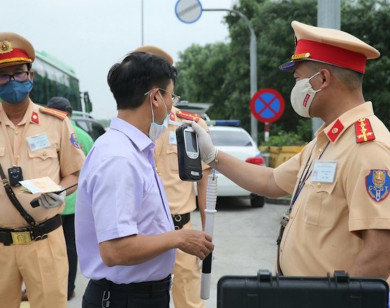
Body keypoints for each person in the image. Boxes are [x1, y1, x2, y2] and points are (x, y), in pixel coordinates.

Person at [191, 20, 390, 283]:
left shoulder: (367, 147)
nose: (294, 89)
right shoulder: (327, 140)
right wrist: (213, 156)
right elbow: (271, 181)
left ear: (322, 79)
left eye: (298, 79)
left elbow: (380, 254)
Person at [75, 50, 214, 308]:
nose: (173, 104)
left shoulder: (132, 149)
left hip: (140, 295)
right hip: (123, 298)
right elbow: (116, 250)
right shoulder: (119, 158)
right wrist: (179, 238)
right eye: (172, 96)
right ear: (156, 98)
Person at [0, 32, 85, 308]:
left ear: (31, 76)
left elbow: (75, 172)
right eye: (3, 75)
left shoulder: (56, 123)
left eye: (19, 73)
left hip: (45, 241)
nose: (12, 81)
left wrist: (62, 192)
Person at [135, 45, 210, 308]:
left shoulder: (191, 127)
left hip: (183, 232)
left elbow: (204, 184)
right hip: (142, 237)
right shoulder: (129, 129)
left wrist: (208, 233)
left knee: (189, 302)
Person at [47, 96, 94, 301]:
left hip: (55, 203)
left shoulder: (50, 133)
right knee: (70, 248)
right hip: (76, 203)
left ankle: (56, 288)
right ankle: (68, 288)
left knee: (52, 251)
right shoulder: (85, 136)